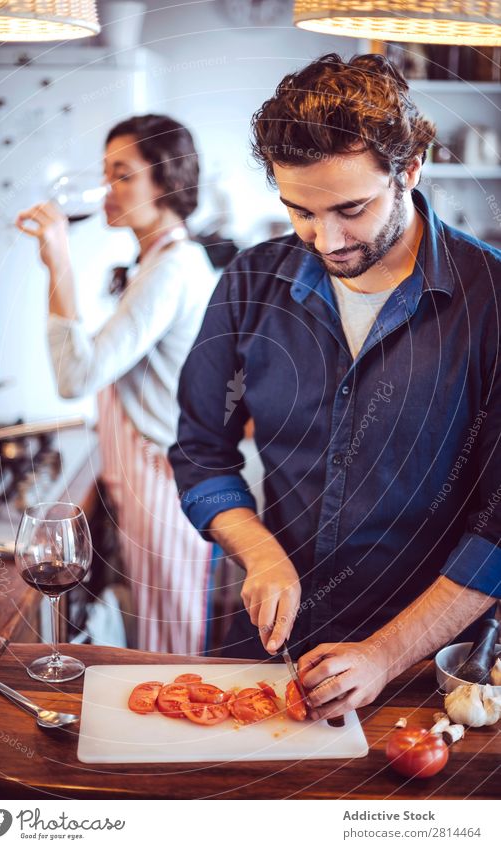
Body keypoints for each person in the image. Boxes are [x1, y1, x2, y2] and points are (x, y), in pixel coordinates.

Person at [169, 54, 501, 719]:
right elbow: (200, 451)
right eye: (300, 210)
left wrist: (383, 652)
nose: (327, 238)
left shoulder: (489, 295)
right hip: (275, 642)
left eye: (351, 208)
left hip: (429, 664)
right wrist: (260, 553)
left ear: (409, 170)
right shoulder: (251, 282)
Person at [17, 114, 217, 654]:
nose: (107, 190)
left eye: (122, 174)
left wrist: (57, 259)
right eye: (106, 174)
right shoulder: (160, 261)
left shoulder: (172, 269)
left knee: (167, 640)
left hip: (161, 480)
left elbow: (76, 375)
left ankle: (176, 737)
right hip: (150, 476)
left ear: (167, 180)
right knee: (159, 628)